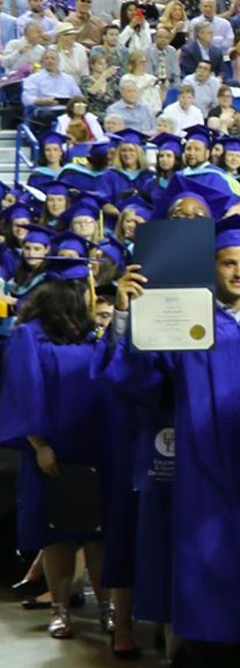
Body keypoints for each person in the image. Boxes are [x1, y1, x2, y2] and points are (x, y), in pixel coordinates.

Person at [101, 215, 240, 668]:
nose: (238, 273)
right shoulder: (186, 322)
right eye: (227, 263)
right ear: (211, 267)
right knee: (204, 570)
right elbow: (139, 381)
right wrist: (127, 315)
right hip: (207, 470)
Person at [0, 257, 119, 642]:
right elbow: (24, 390)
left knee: (98, 534)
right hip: (54, 447)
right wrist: (40, 445)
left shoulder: (86, 334)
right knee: (59, 534)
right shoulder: (29, 336)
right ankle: (60, 609)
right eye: (85, 289)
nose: (90, 296)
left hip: (96, 443)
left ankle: (107, 609)